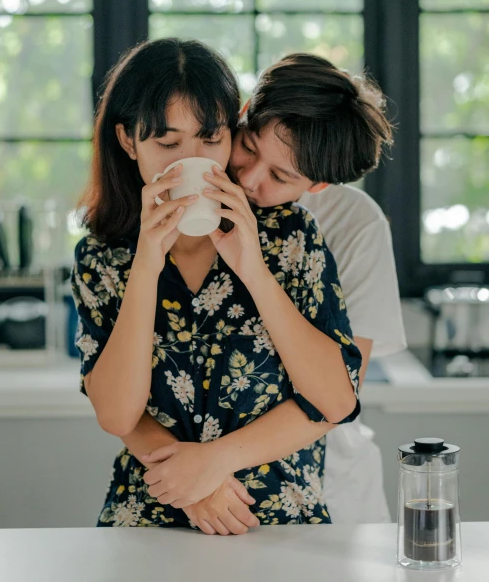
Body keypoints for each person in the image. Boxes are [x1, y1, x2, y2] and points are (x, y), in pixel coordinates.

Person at [72, 38, 361, 531]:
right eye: (167, 144)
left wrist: (253, 269)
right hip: (152, 516)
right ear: (127, 141)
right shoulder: (103, 257)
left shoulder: (288, 235)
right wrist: (145, 263)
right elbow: (119, 416)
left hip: (275, 522)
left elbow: (336, 400)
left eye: (211, 139)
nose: (193, 160)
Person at [127, 51, 406, 528]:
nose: (250, 179)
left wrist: (215, 463)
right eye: (249, 147)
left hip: (323, 485)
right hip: (179, 486)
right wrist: (191, 479)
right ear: (242, 115)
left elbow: (336, 395)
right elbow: (134, 389)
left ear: (318, 186)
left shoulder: (350, 226)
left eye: (281, 176)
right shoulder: (177, 206)